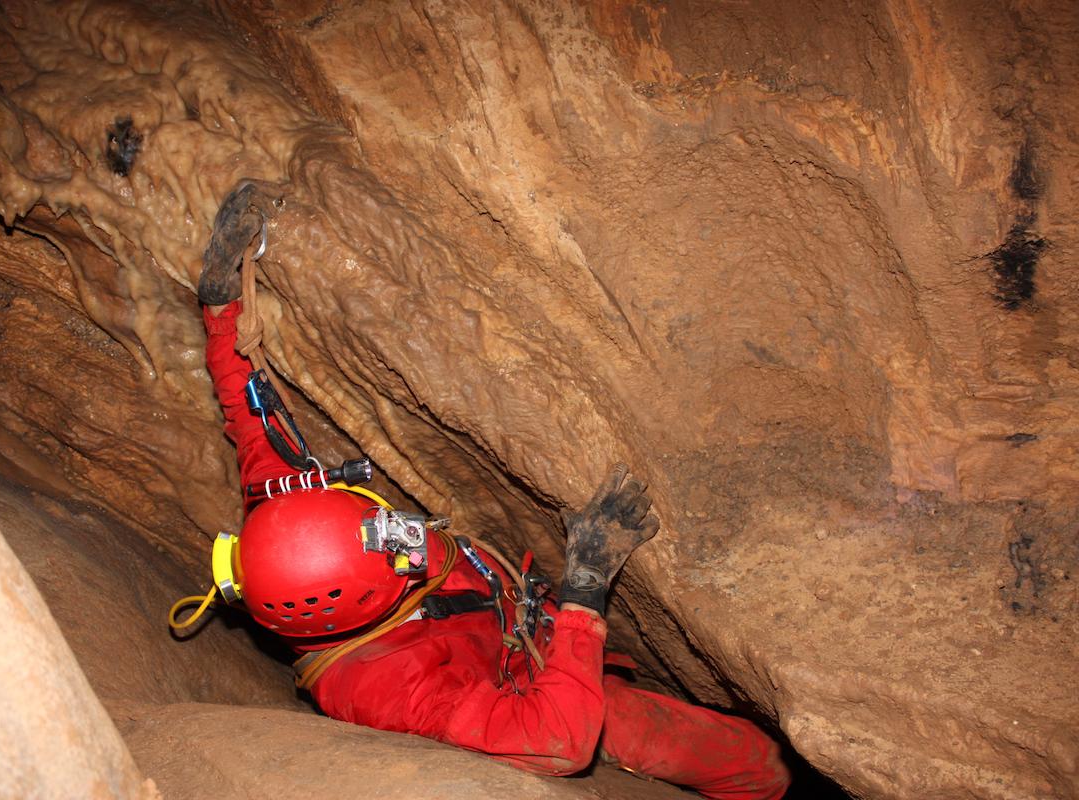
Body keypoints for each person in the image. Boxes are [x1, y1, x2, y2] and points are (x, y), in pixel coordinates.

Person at [185, 185, 791, 799]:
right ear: (363, 601)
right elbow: (556, 739)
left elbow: (248, 406)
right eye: (397, 552)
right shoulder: (383, 688)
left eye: (381, 521)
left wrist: (219, 300)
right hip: (519, 673)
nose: (410, 535)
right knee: (751, 761)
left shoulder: (286, 525)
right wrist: (586, 587)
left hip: (506, 612)